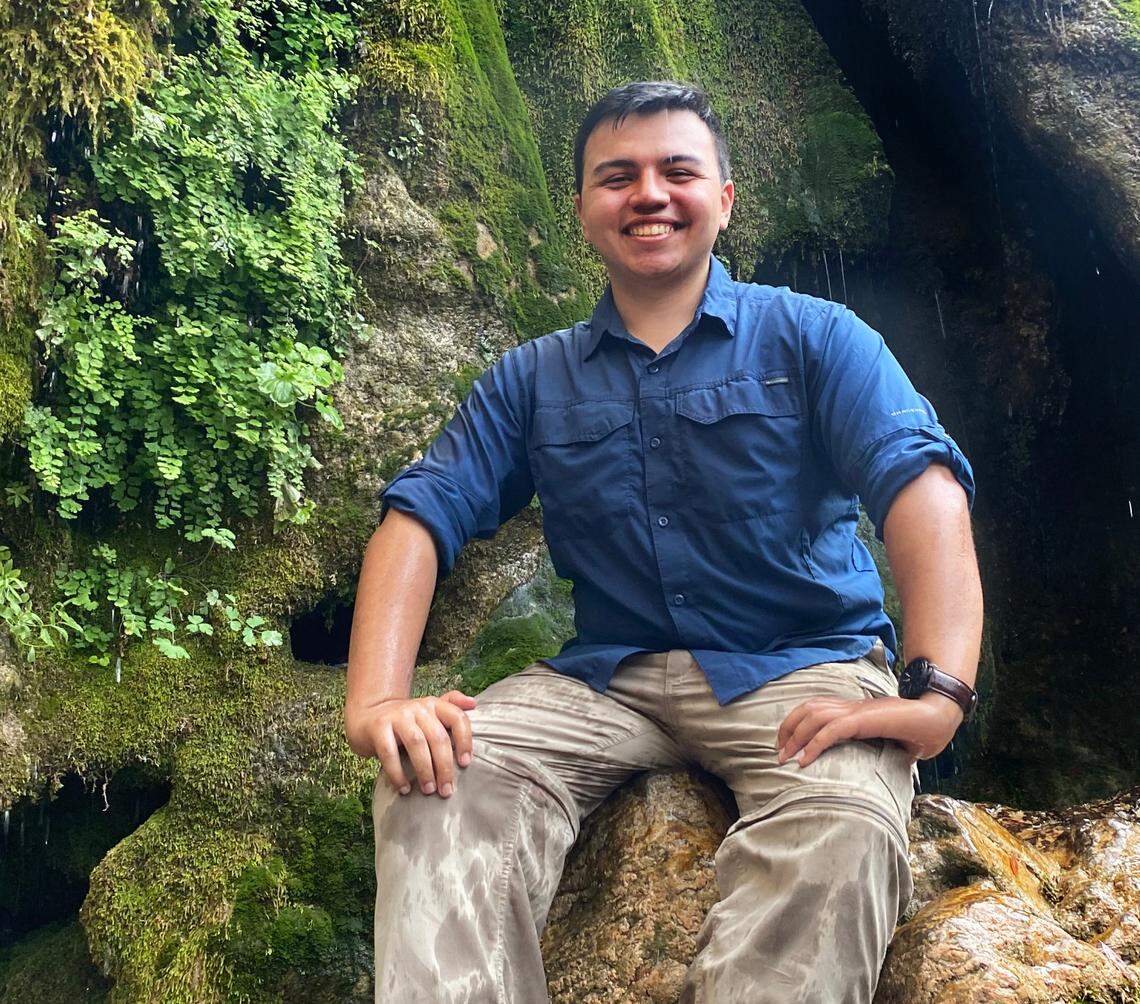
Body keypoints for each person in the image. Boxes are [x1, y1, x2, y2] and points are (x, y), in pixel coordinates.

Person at [345, 80, 983, 1003]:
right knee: (439, 780)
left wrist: (938, 694)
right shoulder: (531, 380)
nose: (649, 193)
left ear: (723, 199)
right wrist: (377, 703)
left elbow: (922, 492)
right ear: (582, 210)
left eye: (678, 170)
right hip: (606, 679)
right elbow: (418, 516)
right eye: (618, 176)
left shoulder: (815, 338)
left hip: (802, 670)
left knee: (844, 816)